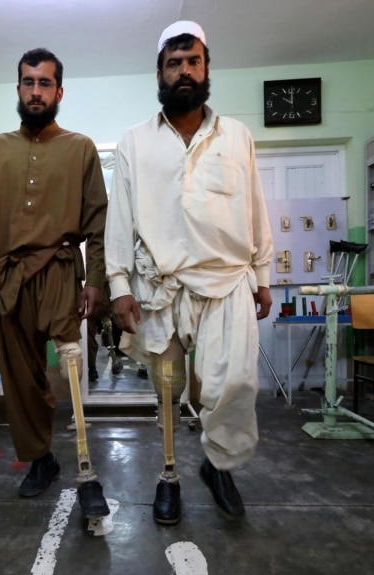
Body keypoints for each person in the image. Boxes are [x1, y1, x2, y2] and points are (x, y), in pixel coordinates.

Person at [106, 21, 273, 524]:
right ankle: (171, 472)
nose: (184, 71)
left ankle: (219, 464)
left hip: (228, 284)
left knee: (234, 385)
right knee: (168, 390)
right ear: (159, 72)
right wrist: (118, 287)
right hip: (161, 287)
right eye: (174, 63)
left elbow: (255, 208)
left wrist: (264, 275)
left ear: (206, 68)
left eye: (193, 61)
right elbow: (121, 218)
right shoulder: (134, 142)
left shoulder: (237, 135)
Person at [0, 48, 111, 518]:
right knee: (21, 379)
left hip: (61, 271)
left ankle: (86, 461)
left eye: (45, 83)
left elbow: (98, 223)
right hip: (7, 277)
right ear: (18, 88)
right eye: (28, 82)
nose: (35, 91)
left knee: (69, 366)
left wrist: (96, 280)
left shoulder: (81, 148)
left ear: (59, 92)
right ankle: (42, 459)